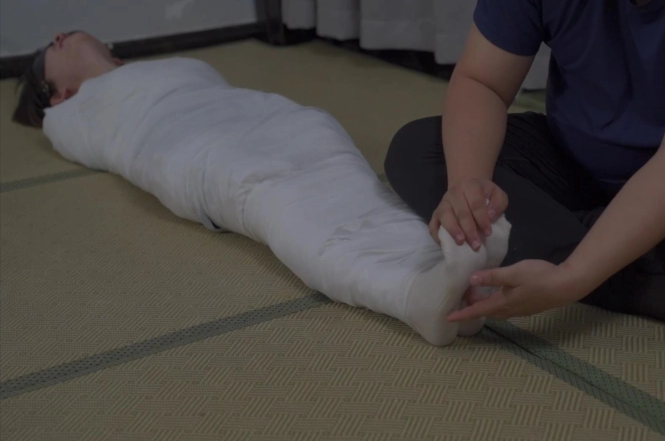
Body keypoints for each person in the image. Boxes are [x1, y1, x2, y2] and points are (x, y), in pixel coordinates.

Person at [12, 31, 513, 347]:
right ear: (57, 94)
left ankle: (451, 270)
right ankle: (409, 294)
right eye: (51, 51)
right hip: (188, 147)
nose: (59, 37)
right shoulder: (66, 116)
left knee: (347, 182)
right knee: (278, 200)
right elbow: (58, 124)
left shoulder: (169, 65)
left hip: (270, 117)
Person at [384, 0, 665, 342]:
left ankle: (570, 247)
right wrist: (468, 187)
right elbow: (483, 81)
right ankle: (629, 287)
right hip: (581, 157)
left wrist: (574, 277)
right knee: (422, 150)